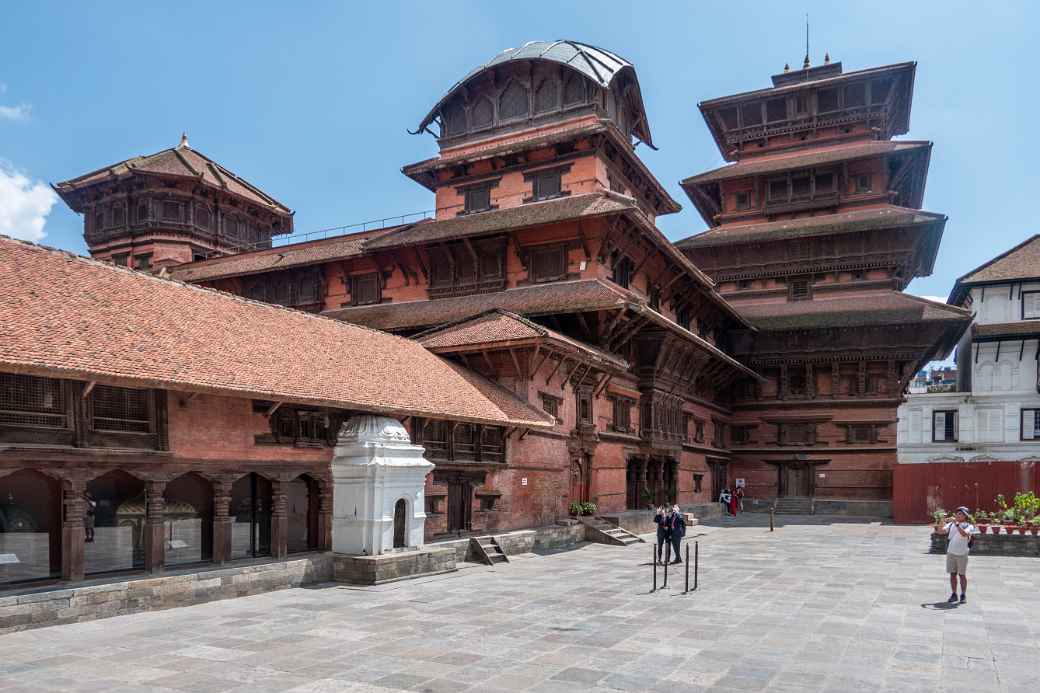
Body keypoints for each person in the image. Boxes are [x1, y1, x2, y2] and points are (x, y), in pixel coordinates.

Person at [943, 506, 975, 604]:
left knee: (962, 575)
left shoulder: (969, 526)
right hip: (951, 552)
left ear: (965, 516)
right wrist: (941, 520)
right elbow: (941, 531)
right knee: (952, 574)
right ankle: (954, 594)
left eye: (960, 513)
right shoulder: (951, 524)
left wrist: (956, 524)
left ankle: (963, 594)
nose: (957, 515)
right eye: (957, 513)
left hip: (962, 553)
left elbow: (964, 534)